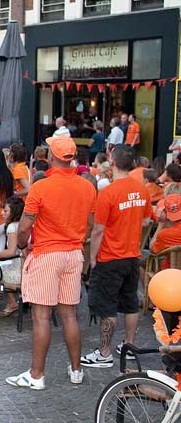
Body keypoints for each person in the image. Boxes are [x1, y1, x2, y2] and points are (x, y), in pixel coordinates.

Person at [7, 135, 96, 390]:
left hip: (47, 253)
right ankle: (76, 370)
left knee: (41, 316)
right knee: (69, 314)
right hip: (73, 253)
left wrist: (23, 245)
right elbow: (90, 226)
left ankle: (37, 375)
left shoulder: (42, 187)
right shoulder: (87, 187)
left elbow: (24, 227)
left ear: (52, 157)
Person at [81, 147, 153, 368]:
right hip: (132, 255)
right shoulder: (142, 190)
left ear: (112, 162)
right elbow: (147, 220)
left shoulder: (108, 193)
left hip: (110, 257)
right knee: (131, 303)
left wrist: (92, 257)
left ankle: (104, 353)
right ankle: (129, 345)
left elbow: (98, 230)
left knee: (108, 307)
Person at [0, 196, 24, 317]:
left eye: (5, 211)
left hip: (16, 268)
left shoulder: (12, 227)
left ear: (14, 212)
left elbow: (11, 251)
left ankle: (12, 295)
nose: (2, 213)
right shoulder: (22, 225)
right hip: (22, 265)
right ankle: (12, 300)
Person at [150, 194, 181, 269]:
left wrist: (161, 224)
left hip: (170, 272)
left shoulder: (165, 234)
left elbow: (152, 249)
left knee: (140, 261)